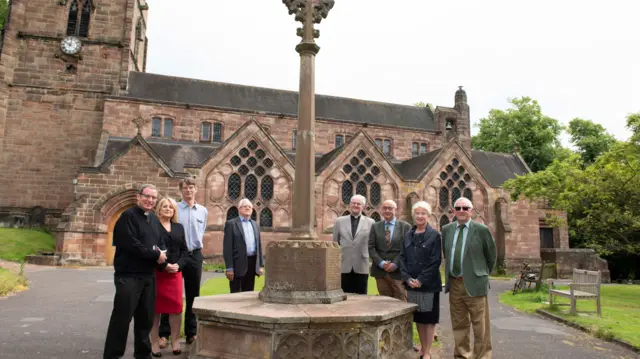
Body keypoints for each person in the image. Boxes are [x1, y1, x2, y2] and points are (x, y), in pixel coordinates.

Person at [103, 184, 167, 359]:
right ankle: (112, 356)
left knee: (145, 321)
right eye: (147, 196)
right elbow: (132, 245)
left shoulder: (153, 219)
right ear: (139, 197)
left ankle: (143, 355)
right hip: (129, 276)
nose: (150, 200)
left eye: (154, 198)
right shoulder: (127, 217)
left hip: (148, 276)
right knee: (121, 320)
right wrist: (156, 254)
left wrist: (163, 260)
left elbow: (161, 244)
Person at [443, 197, 497, 359]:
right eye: (458, 208)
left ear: (471, 211)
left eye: (465, 208)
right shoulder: (447, 229)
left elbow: (491, 256)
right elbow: (447, 254)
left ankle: (482, 356)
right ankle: (462, 355)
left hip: (474, 283)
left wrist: (480, 273)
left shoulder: (481, 230)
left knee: (480, 324)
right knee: (459, 323)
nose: (461, 211)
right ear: (453, 211)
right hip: (455, 283)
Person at [159, 178, 208, 347]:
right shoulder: (175, 208)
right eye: (185, 188)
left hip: (194, 255)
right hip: (176, 255)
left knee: (194, 294)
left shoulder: (203, 211)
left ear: (196, 189)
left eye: (191, 187)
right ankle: (164, 334)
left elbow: (201, 232)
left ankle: (191, 333)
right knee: (169, 293)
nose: (188, 191)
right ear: (181, 190)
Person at [399, 201, 442, 359]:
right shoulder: (408, 235)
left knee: (429, 320)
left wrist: (421, 280)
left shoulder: (435, 235)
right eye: (417, 213)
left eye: (423, 213)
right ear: (413, 215)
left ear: (428, 215)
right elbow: (402, 258)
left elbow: (435, 260)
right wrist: (407, 278)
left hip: (428, 285)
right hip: (411, 284)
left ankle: (428, 352)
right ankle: (423, 349)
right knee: (419, 318)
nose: (420, 216)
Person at [150, 198, 188, 357]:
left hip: (175, 274)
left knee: (176, 308)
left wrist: (178, 265)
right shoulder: (152, 226)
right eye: (164, 206)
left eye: (171, 207)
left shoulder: (179, 227)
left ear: (174, 211)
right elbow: (150, 249)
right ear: (158, 209)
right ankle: (154, 342)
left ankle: (175, 341)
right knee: (155, 309)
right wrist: (164, 266)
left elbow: (185, 251)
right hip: (157, 273)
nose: (168, 209)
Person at [368, 199, 412, 301]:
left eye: (390, 208)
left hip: (398, 271)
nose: (387, 210)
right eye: (385, 208)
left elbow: (407, 248)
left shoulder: (405, 227)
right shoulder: (375, 226)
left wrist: (395, 263)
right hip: (380, 271)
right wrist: (381, 263)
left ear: (396, 210)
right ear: (381, 210)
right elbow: (371, 247)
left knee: (401, 299)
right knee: (384, 301)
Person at [332, 194, 375, 294]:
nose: (355, 205)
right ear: (350, 205)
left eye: (358, 204)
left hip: (361, 264)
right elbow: (335, 243)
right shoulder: (339, 221)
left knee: (361, 296)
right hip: (344, 263)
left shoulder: (371, 222)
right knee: (343, 295)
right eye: (353, 203)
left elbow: (371, 243)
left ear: (363, 206)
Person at [223, 198, 265, 292]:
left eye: (250, 206)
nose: (247, 208)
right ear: (239, 209)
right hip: (237, 264)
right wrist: (229, 268)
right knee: (236, 295)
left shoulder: (255, 225)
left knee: (249, 294)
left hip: (252, 263)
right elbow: (227, 248)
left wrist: (260, 265)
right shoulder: (231, 224)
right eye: (245, 206)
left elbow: (259, 246)